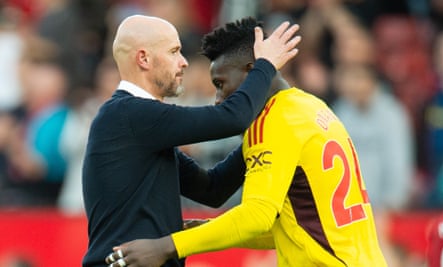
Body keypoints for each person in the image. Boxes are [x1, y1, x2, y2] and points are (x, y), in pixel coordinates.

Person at [105, 17, 387, 267]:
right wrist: (205, 230)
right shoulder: (311, 107)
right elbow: (293, 226)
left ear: (253, 71)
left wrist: (166, 246)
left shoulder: (272, 120)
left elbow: (256, 216)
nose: (218, 98)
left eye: (220, 84)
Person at [82, 14, 300, 267]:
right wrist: (265, 65)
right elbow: (232, 118)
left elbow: (212, 189)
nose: (184, 62)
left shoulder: (140, 128)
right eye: (174, 51)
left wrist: (268, 137)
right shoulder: (129, 114)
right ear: (144, 58)